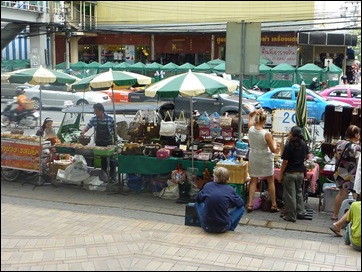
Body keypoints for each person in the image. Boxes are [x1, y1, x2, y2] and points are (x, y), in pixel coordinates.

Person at [247, 109, 280, 213]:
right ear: (265, 121)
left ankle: (250, 204)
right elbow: (273, 150)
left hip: (254, 156)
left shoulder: (251, 129)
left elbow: (250, 117)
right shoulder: (266, 134)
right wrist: (277, 146)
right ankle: (274, 204)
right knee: (270, 181)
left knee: (253, 180)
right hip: (265, 157)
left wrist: (253, 113)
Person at [195, 166, 245, 233]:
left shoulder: (208, 186)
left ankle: (203, 221)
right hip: (223, 227)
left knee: (198, 203)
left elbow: (198, 199)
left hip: (206, 226)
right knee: (241, 209)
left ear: (215, 177)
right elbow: (240, 203)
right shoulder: (230, 189)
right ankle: (231, 229)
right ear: (228, 179)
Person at [278, 126, 310, 223]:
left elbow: (285, 162)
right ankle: (301, 212)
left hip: (290, 173)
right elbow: (307, 156)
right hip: (300, 173)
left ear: (292, 133)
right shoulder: (304, 144)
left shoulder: (289, 145)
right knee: (299, 192)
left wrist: (280, 174)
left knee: (290, 195)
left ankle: (291, 216)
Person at [332, 125, 361, 220]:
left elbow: (335, 155)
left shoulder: (339, 143)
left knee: (341, 193)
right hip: (351, 174)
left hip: (339, 171)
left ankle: (335, 214)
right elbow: (358, 162)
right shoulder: (356, 147)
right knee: (355, 194)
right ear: (356, 135)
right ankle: (351, 216)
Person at [81, 103, 117, 177]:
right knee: (103, 159)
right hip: (99, 142)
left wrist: (116, 140)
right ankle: (104, 175)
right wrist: (83, 131)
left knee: (111, 159)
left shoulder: (110, 119)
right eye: (95, 111)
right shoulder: (94, 119)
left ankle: (112, 175)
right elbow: (88, 127)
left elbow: (115, 130)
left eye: (97, 111)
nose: (95, 113)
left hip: (108, 142)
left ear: (102, 111)